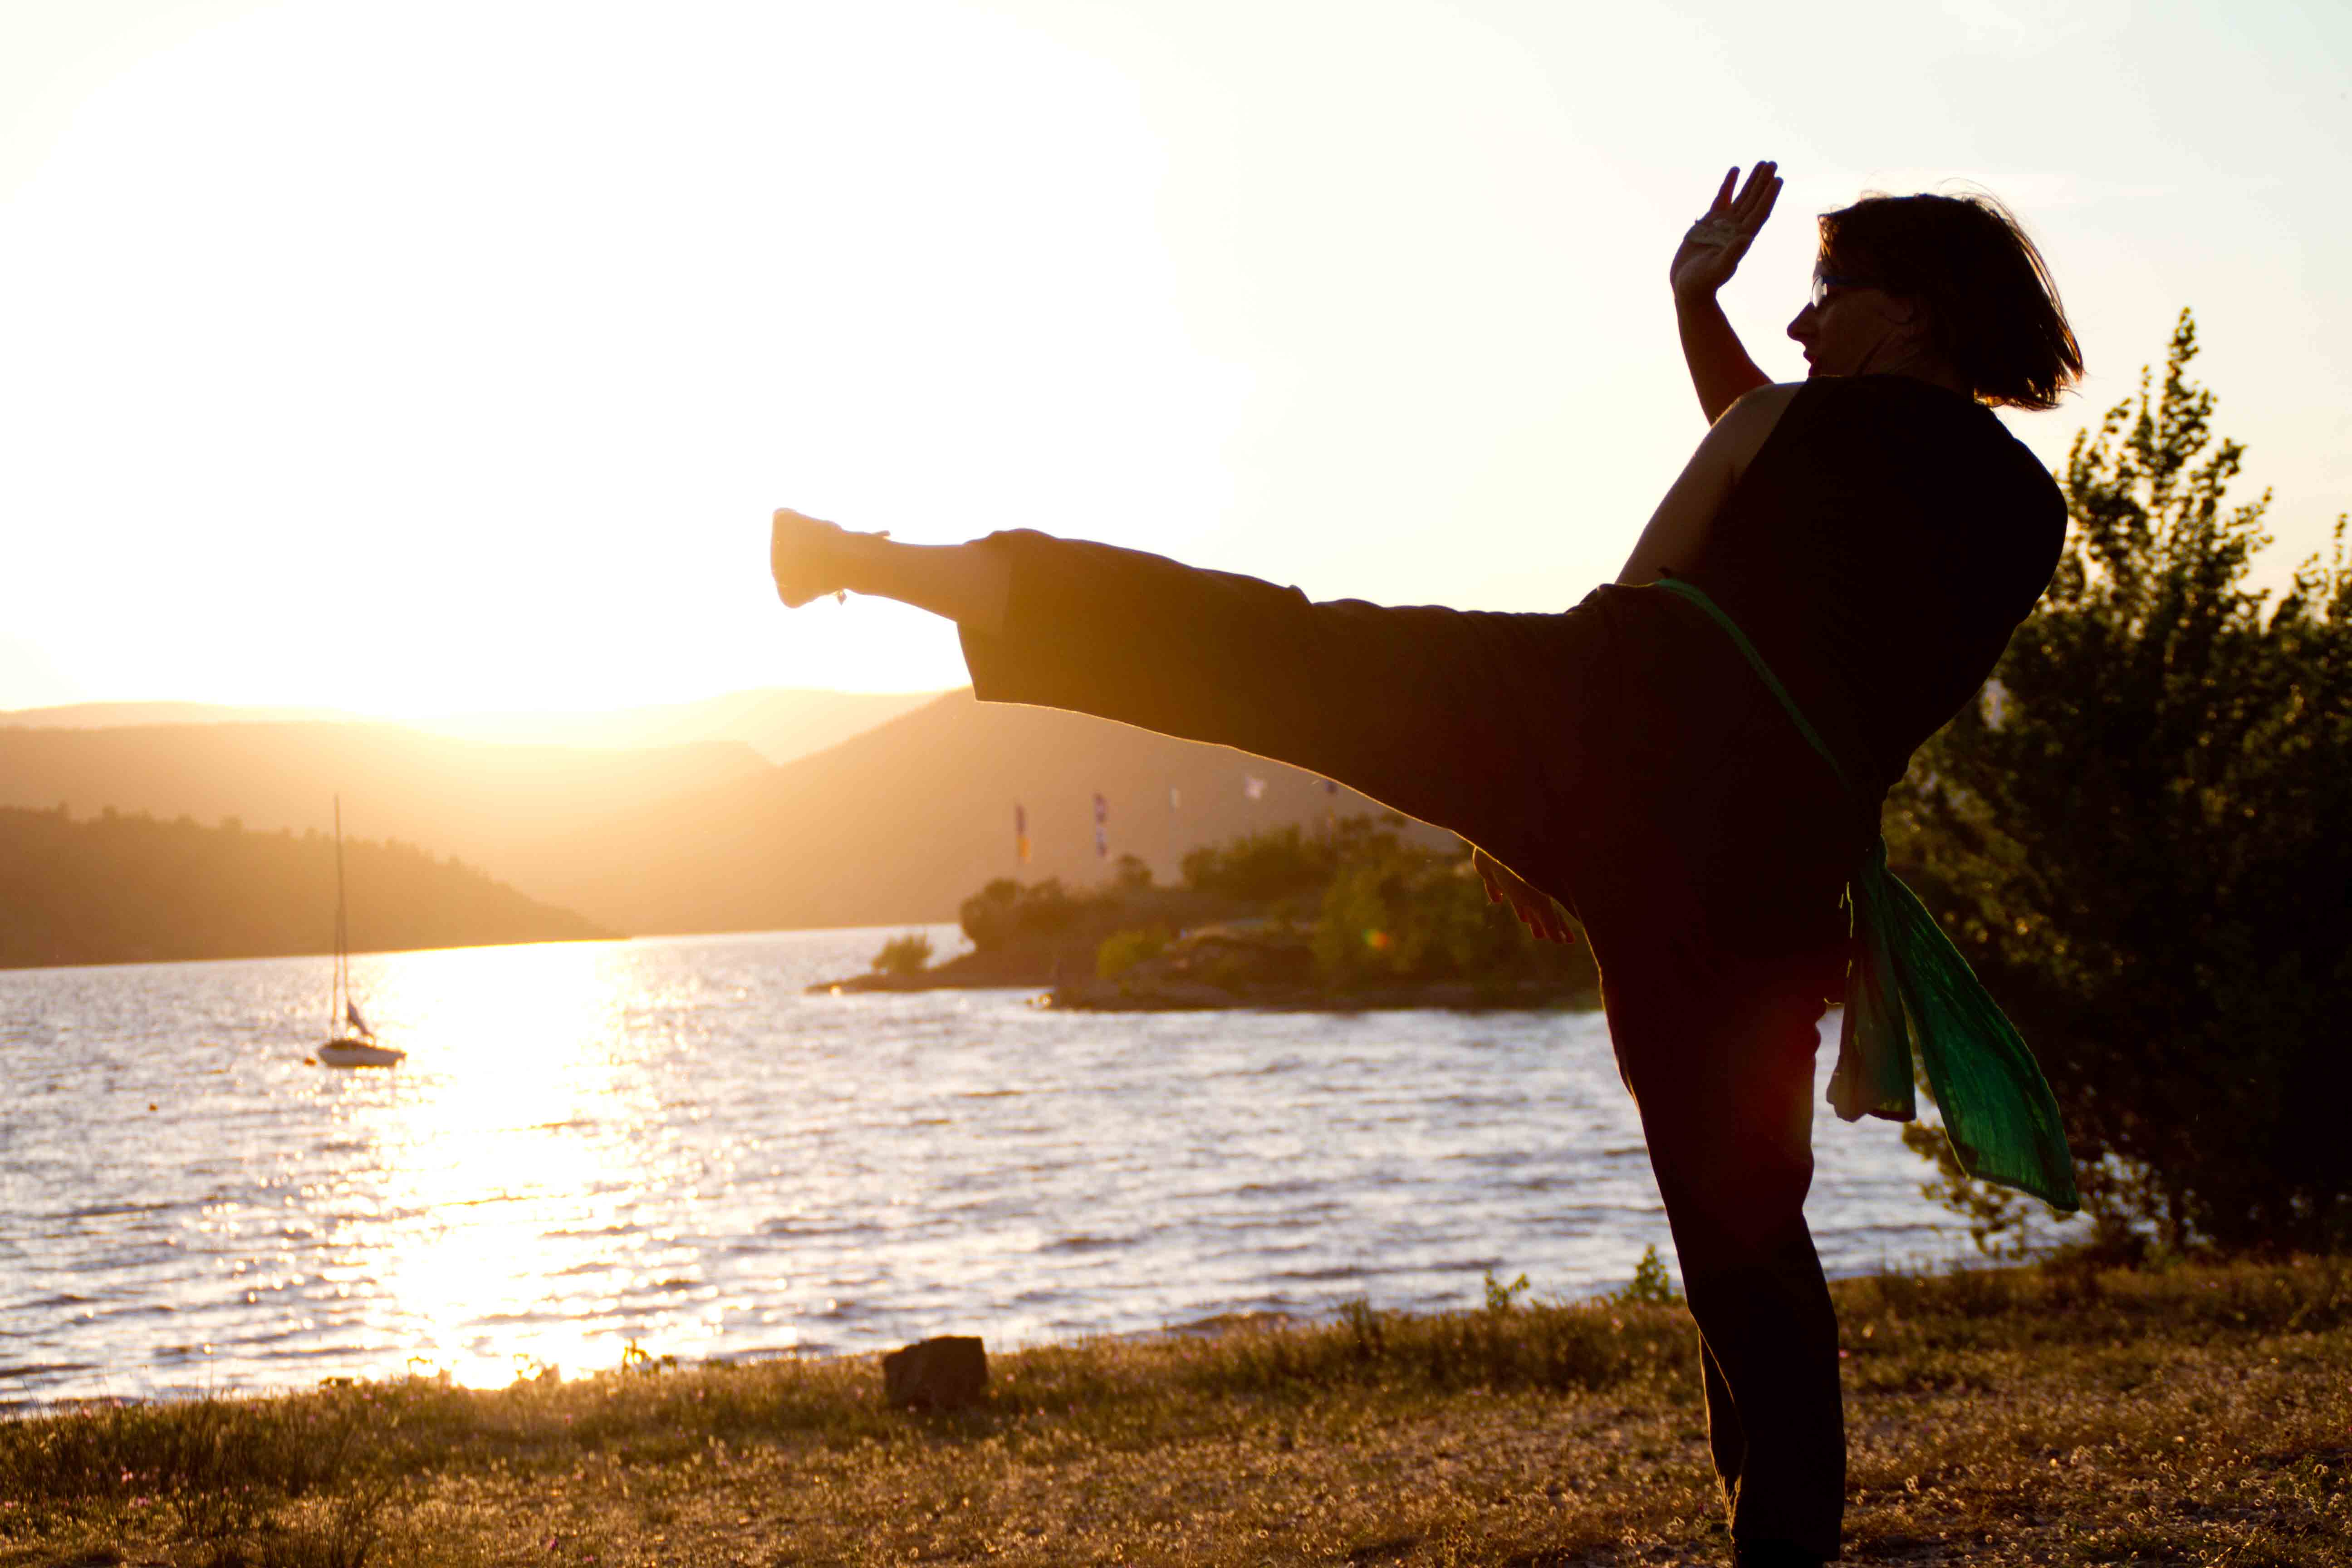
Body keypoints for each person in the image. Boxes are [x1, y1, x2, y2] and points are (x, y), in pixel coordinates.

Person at [767, 162, 2081, 1568]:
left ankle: (893, 564)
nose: (1806, 322)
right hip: (1765, 856)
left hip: (1608, 720)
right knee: (1743, 1226)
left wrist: (1525, 796)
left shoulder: (1790, 428)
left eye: (1830, 293)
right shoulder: (2024, 515)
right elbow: (1811, 492)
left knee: (1277, 652)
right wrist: (1699, 316)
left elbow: (1690, 552)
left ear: (1919, 312)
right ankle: (1783, 1544)